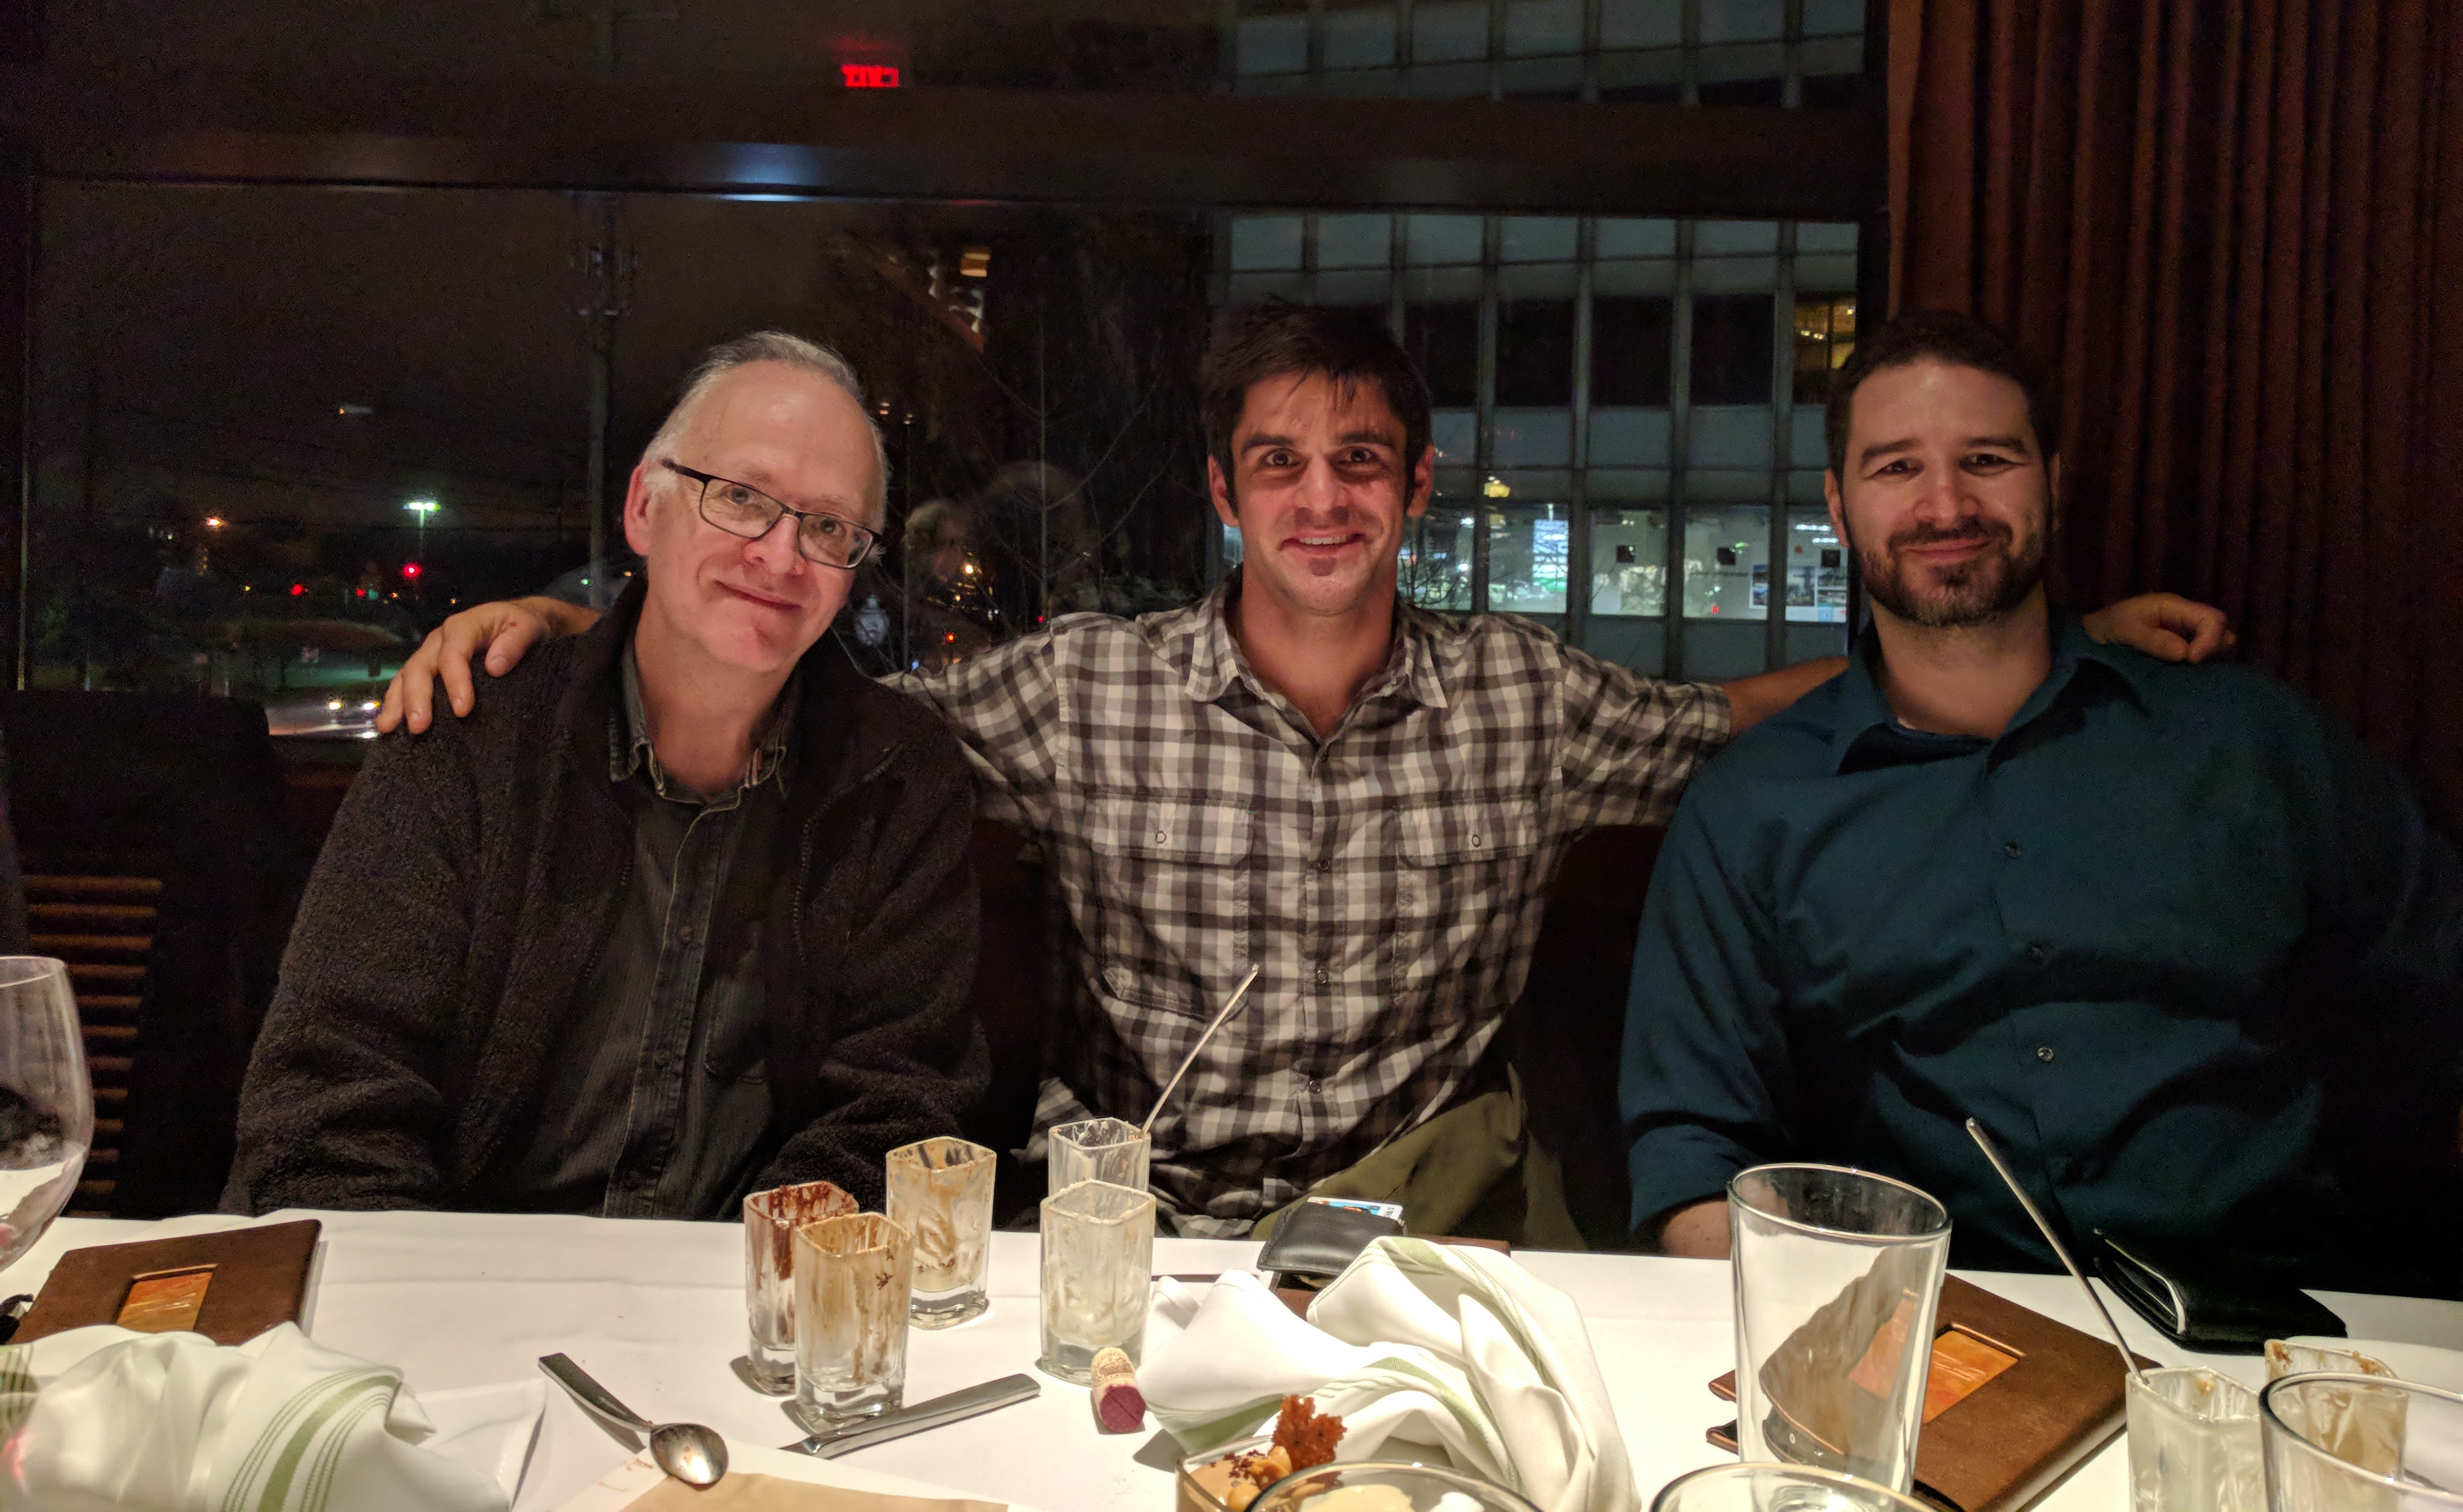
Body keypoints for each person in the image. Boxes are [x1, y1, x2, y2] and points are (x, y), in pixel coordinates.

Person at [380, 304, 2225, 1238]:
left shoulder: (1530, 699)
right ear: (1223, 494)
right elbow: (795, 680)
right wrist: (563, 624)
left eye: (1362, 462)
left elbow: (1740, 719)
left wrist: (2060, 638)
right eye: (1281, 463)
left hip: (1429, 1235)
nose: (1324, 498)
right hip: (1131, 1230)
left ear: (1418, 491)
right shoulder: (1079, 695)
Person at [1621, 310, 2463, 1290]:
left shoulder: (2253, 742)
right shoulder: (1754, 806)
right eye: (1897, 468)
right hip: (1936, 1335)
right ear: (1840, 509)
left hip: (2283, 1322)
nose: (1946, 505)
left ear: (2054, 483)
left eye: (1987, 458)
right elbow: (1692, 1153)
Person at [225, 333, 986, 1218]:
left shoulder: (898, 776)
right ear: (643, 508)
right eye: (740, 498)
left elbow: (898, 1106)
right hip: (456, 1288)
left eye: (828, 527)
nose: (780, 557)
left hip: (740, 1307)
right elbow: (328, 1102)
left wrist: (773, 1306)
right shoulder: (468, 730)